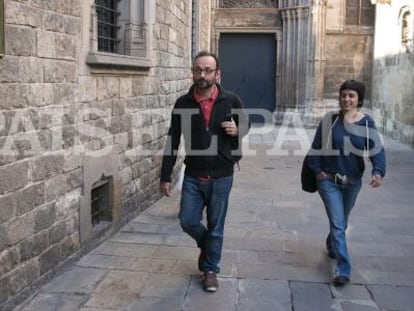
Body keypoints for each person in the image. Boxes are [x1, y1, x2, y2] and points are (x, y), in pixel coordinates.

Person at [159, 51, 249, 292]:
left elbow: (245, 124)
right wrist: (165, 176)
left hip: (222, 176)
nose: (202, 74)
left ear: (217, 74)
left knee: (216, 225)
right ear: (193, 72)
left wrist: (237, 130)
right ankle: (208, 246)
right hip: (194, 175)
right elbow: (173, 139)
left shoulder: (231, 100)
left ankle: (210, 270)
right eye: (198, 69)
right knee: (188, 221)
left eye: (208, 70)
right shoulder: (183, 103)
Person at [307, 79, 386, 286]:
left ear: (359, 99)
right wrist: (318, 172)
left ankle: (332, 245)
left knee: (341, 221)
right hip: (328, 180)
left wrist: (378, 171)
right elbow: (315, 148)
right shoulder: (330, 120)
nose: (346, 99)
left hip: (352, 182)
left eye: (351, 95)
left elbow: (376, 149)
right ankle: (343, 269)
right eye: (343, 95)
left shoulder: (366, 123)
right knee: (338, 222)